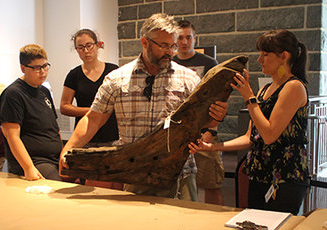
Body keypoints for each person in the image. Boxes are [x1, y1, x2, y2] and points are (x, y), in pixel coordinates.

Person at [60, 13, 227, 198]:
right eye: (163, 45)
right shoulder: (117, 79)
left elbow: (208, 123)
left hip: (180, 175)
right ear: (145, 42)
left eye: (172, 45)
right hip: (135, 175)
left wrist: (216, 116)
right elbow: (93, 119)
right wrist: (69, 148)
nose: (170, 52)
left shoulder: (188, 79)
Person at [189, 29, 309, 215]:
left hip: (284, 177)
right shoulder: (266, 89)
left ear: (283, 56)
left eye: (265, 55)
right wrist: (211, 147)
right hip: (259, 173)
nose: (260, 60)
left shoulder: (294, 87)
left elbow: (269, 135)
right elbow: (250, 137)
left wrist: (249, 97)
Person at [60, 29, 121, 189]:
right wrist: (92, 111)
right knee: (86, 186)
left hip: (111, 135)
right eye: (81, 47)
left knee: (112, 183)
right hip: (85, 137)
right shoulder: (74, 75)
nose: (86, 51)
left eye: (89, 45)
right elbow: (64, 106)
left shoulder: (113, 71)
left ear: (97, 45)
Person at [173, 19, 223, 204]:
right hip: (177, 134)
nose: (184, 42)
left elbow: (219, 98)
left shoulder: (209, 63)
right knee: (180, 183)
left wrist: (211, 131)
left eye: (188, 37)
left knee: (211, 183)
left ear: (195, 38)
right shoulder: (169, 63)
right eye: (180, 38)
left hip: (204, 133)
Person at [0, 44, 63, 181]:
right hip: (35, 160)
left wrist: (63, 152)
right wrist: (28, 167)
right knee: (56, 187)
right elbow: (12, 136)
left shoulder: (44, 91)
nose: (43, 72)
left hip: (55, 158)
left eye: (45, 66)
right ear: (23, 68)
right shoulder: (13, 94)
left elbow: (54, 127)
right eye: (37, 68)